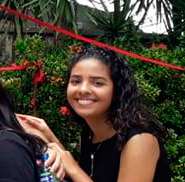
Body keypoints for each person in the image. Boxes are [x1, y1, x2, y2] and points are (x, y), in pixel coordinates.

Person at [18, 46, 171, 182]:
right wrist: (47, 134)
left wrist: (73, 169)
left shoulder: (139, 140)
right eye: (76, 81)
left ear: (117, 90)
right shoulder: (90, 133)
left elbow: (77, 173)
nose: (83, 89)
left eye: (97, 83)